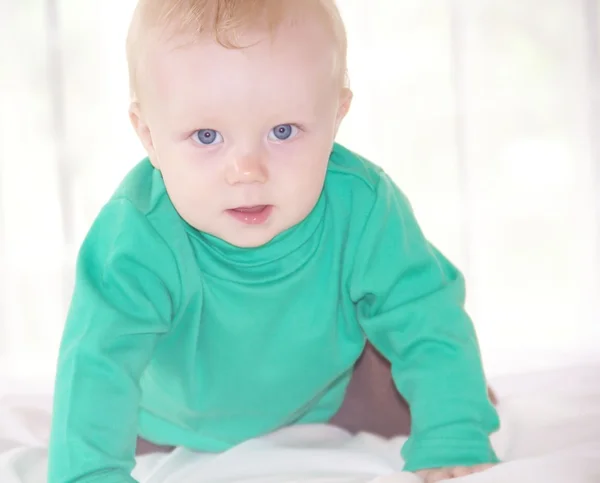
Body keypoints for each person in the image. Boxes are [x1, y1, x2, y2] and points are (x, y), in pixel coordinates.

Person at [47, 1, 501, 482]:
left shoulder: (363, 205)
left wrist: (452, 429)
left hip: (330, 391)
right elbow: (97, 359)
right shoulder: (133, 236)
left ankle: (457, 409)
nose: (247, 171)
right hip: (164, 416)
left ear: (336, 116)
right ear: (149, 135)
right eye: (206, 136)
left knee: (444, 394)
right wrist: (88, 471)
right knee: (97, 415)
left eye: (283, 132)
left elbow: (425, 312)